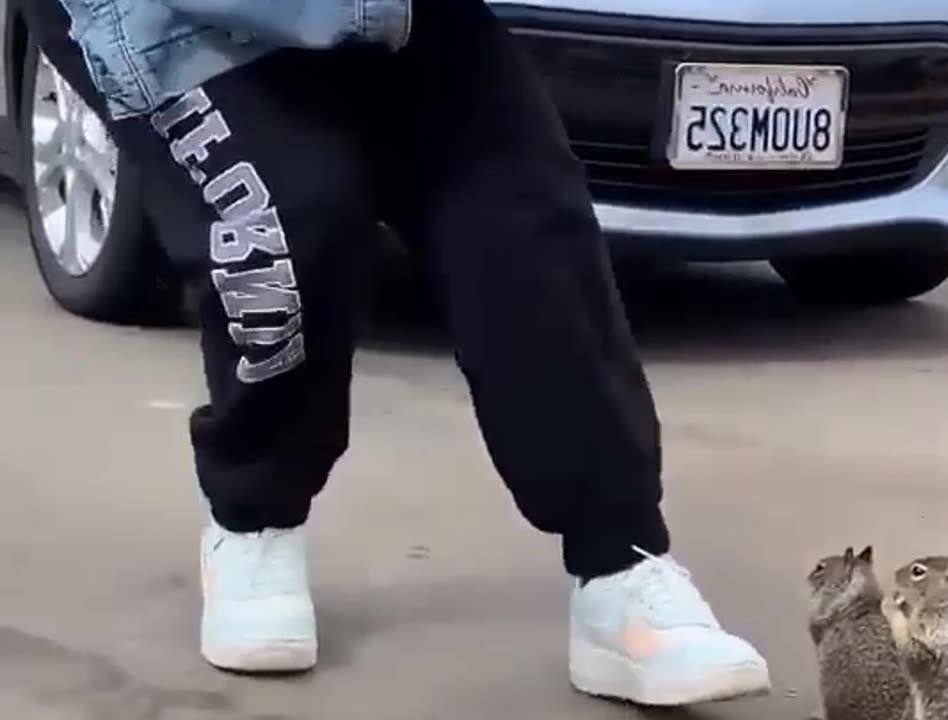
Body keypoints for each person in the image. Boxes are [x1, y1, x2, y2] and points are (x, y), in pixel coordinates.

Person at [21, 0, 772, 707]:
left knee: (525, 228)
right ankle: (253, 519)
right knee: (292, 224)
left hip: (406, 13)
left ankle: (622, 563)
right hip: (181, 18)